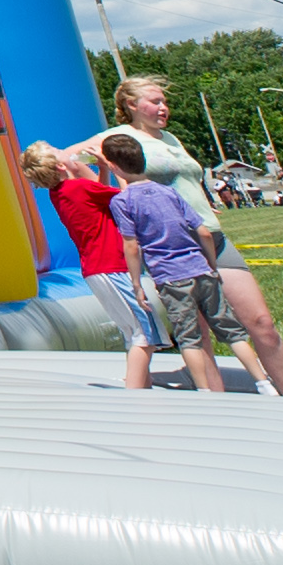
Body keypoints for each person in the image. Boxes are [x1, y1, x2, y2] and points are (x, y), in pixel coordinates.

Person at [117, 77, 283, 396]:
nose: (164, 107)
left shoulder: (170, 138)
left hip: (211, 237)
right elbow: (110, 179)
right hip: (176, 248)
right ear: (131, 105)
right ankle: (216, 403)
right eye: (155, 101)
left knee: (262, 324)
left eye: (165, 101)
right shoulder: (120, 138)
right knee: (199, 337)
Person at [107, 130, 253, 395]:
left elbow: (132, 245)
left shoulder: (122, 201)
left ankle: (203, 390)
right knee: (233, 332)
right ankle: (262, 380)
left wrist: (136, 284)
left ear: (114, 167)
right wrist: (210, 264)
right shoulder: (168, 192)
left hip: (170, 277)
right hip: (201, 269)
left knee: (189, 338)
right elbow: (203, 232)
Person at [40, 139, 154, 356]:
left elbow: (100, 196)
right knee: (144, 335)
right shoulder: (79, 187)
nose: (66, 151)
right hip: (112, 266)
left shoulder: (60, 192)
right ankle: (136, 379)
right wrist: (115, 168)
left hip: (96, 269)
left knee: (133, 334)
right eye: (59, 151)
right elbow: (127, 199)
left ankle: (140, 375)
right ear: (60, 166)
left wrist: (103, 169)